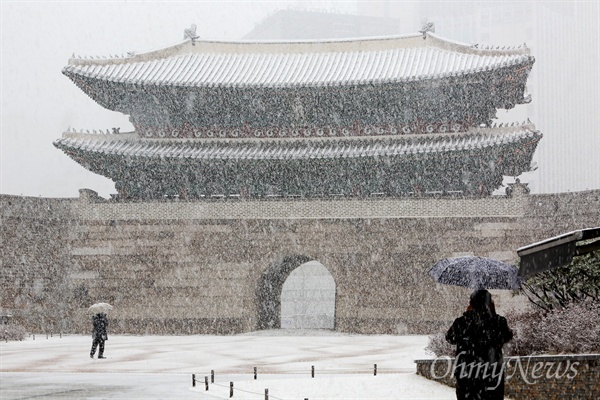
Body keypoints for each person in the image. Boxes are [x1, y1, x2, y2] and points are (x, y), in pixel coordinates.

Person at [446, 289, 513, 400]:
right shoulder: (498, 322)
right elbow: (507, 336)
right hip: (492, 375)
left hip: (466, 374)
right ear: (490, 303)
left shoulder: (462, 322)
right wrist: (493, 314)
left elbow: (450, 338)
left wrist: (467, 314)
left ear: (471, 304)